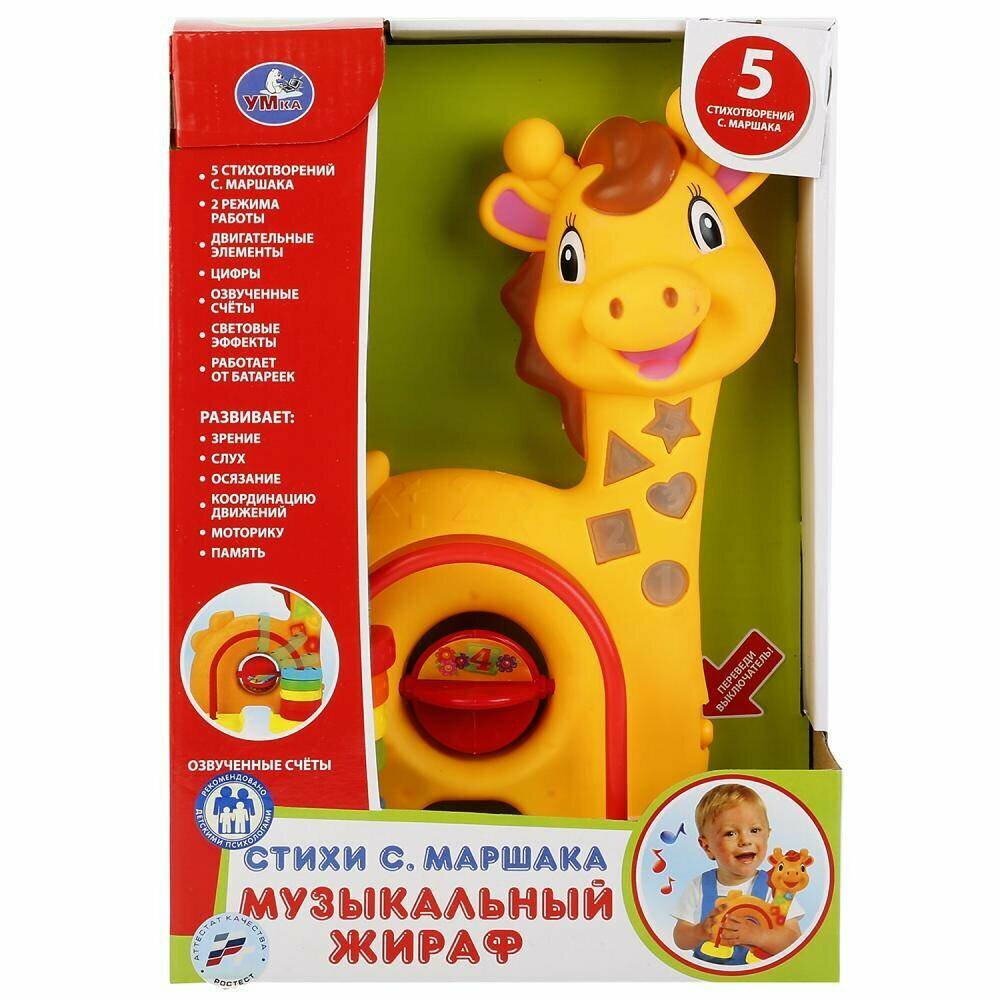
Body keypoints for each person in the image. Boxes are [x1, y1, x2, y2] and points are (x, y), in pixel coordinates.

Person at [672, 784, 803, 964]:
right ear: (707, 846)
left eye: (754, 830)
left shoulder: (776, 889)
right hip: (708, 974)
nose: (745, 840)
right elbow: (680, 938)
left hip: (757, 976)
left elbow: (793, 940)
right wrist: (699, 932)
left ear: (767, 835)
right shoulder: (698, 886)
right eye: (730, 833)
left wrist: (758, 936)